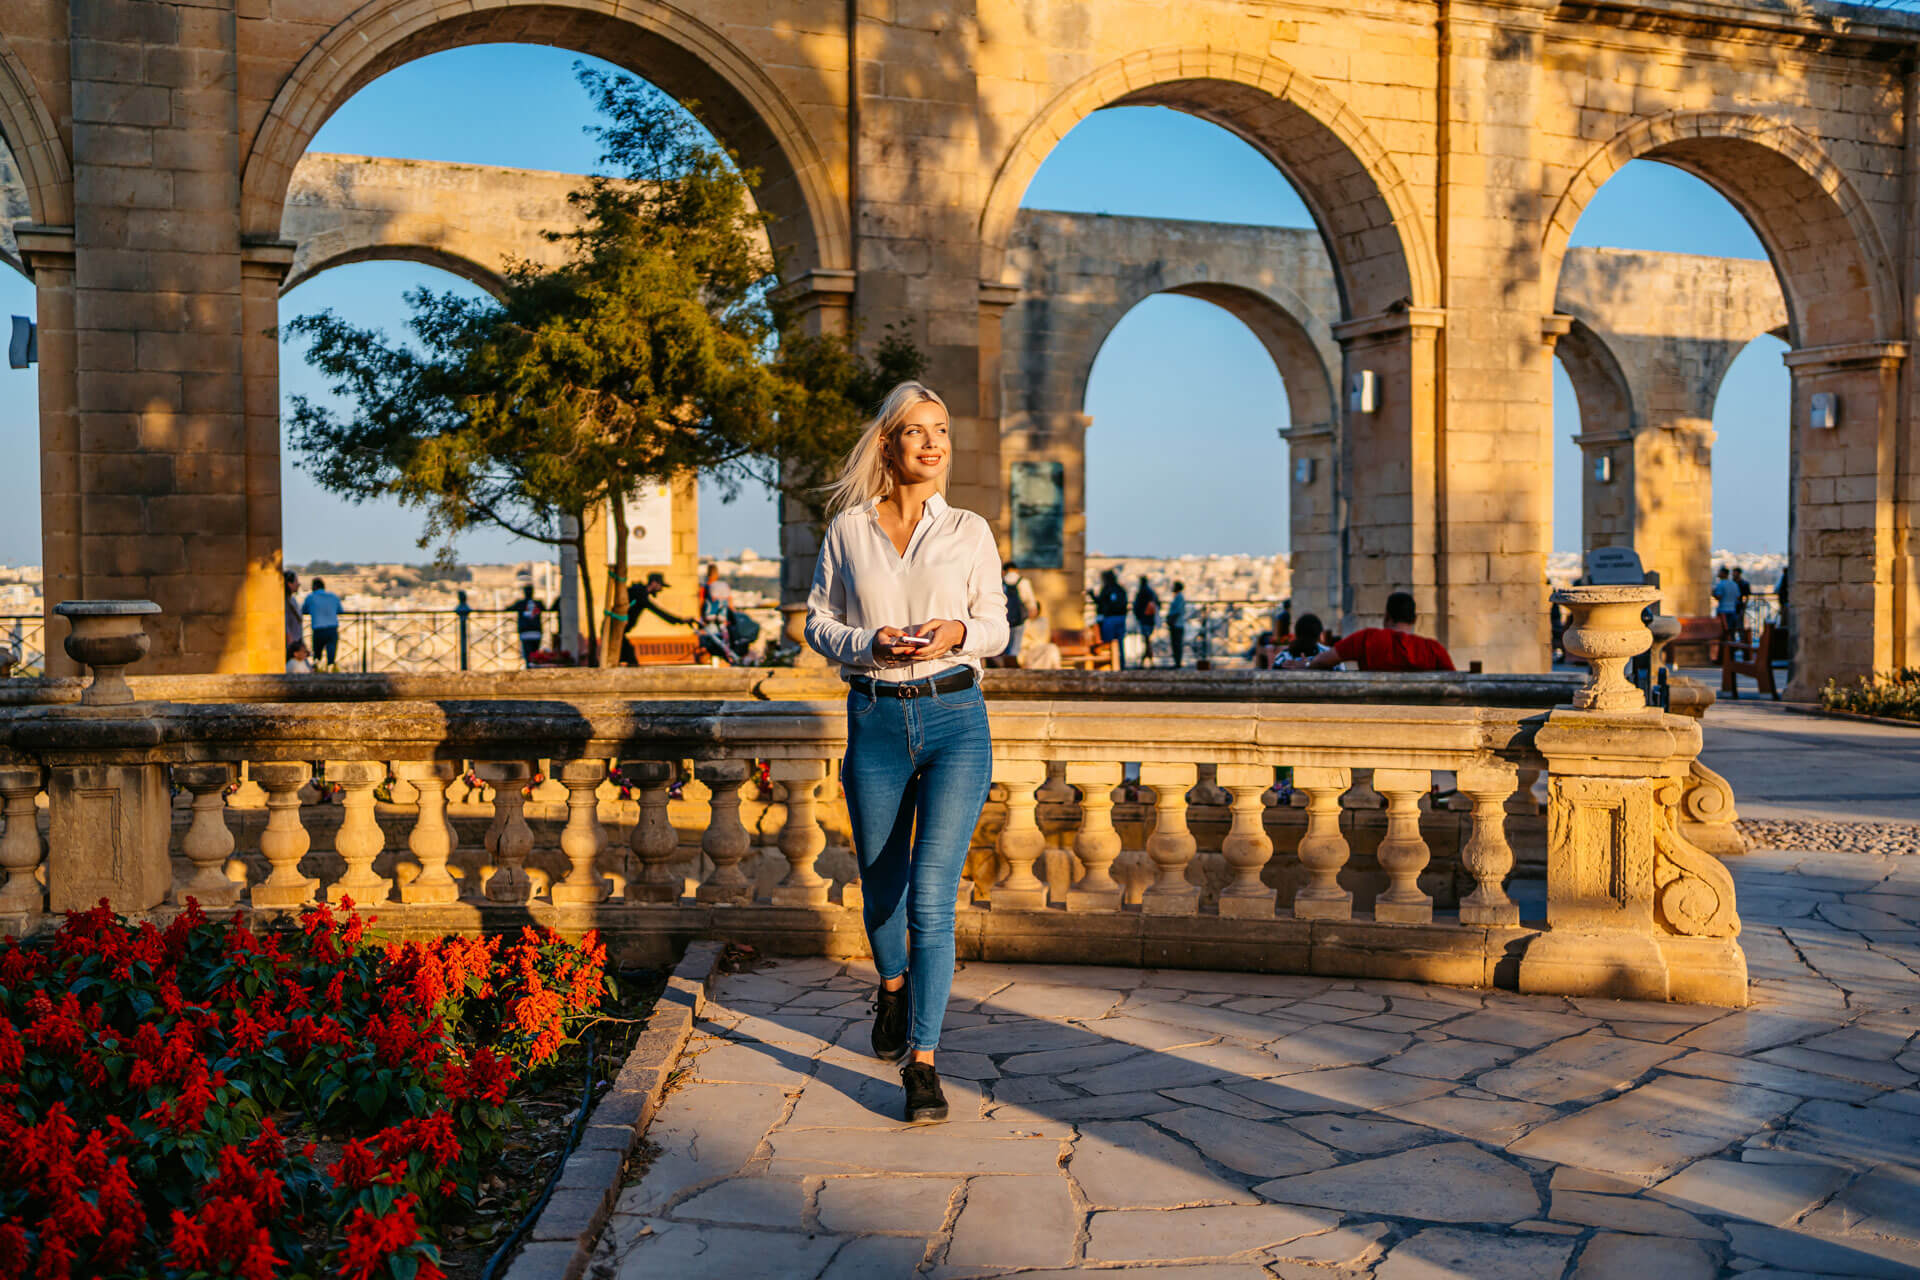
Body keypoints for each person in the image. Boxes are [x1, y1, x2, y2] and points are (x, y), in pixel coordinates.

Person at [805, 380, 1006, 1125]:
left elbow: (996, 626)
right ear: (888, 443)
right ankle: (891, 985)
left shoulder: (969, 531)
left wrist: (959, 634)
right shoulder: (848, 530)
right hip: (877, 720)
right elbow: (818, 620)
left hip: (956, 719)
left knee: (931, 900)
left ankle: (922, 1063)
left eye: (942, 429)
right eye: (917, 430)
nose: (933, 442)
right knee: (882, 888)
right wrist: (869, 642)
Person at [1304, 591, 1455, 671]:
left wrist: (1306, 664)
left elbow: (1323, 660)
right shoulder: (1433, 649)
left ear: (1387, 616)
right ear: (1414, 619)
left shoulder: (1367, 638)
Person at [301, 577, 343, 670]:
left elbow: (304, 610)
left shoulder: (310, 597)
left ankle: (318, 674)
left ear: (314, 587)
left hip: (318, 630)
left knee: (317, 657)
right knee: (331, 658)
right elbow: (340, 610)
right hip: (332, 629)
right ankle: (331, 672)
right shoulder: (333, 596)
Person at [1091, 570, 1128, 668]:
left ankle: (1110, 664)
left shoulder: (1107, 589)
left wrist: (1092, 596)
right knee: (1119, 643)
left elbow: (1101, 603)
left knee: (1108, 643)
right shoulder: (1120, 589)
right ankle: (1121, 664)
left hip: (1110, 618)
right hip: (1121, 618)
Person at [1001, 561, 1037, 663]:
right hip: (1019, 617)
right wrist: (1032, 609)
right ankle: (1012, 662)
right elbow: (1029, 599)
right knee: (1016, 644)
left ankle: (1005, 661)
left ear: (1004, 571)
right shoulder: (1023, 581)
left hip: (1005, 617)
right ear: (1016, 570)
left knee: (1005, 642)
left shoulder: (1001, 582)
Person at [513, 584, 544, 666]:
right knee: (535, 653)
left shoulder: (520, 604)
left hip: (525, 632)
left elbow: (509, 608)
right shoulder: (538, 603)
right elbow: (545, 608)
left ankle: (529, 667)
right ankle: (534, 666)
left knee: (527, 653)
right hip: (536, 631)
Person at [1132, 576, 1160, 667]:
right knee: (1147, 640)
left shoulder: (1140, 593)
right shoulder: (1151, 593)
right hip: (1150, 619)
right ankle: (1148, 660)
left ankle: (1145, 660)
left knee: (1147, 640)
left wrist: (1139, 616)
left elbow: (1136, 607)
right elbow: (1158, 604)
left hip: (1144, 619)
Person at [1711, 566, 1741, 647]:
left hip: (1723, 611)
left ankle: (1724, 652)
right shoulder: (1734, 584)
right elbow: (1738, 597)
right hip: (1733, 610)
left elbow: (1719, 597)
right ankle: (1731, 650)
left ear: (1723, 574)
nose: (1718, 574)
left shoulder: (1721, 584)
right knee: (1731, 632)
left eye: (1719, 572)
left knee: (1723, 632)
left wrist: (1712, 593)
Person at [1166, 581, 1189, 668]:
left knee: (1177, 643)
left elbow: (1177, 611)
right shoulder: (1178, 597)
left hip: (1177, 624)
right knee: (1176, 643)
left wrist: (1171, 620)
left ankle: (1178, 662)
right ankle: (1177, 662)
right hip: (1177, 623)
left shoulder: (1179, 597)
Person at [284, 570, 303, 660]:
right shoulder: (286, 602)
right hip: (292, 644)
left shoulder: (292, 600)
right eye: (296, 581)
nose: (298, 584)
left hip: (296, 641)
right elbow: (285, 623)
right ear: (289, 584)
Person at [1732, 567, 1753, 642]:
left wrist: (1744, 606)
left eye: (1734, 573)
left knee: (1739, 626)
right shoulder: (1740, 583)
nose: (1733, 574)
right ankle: (1739, 642)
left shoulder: (1742, 584)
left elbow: (1746, 596)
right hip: (1735, 607)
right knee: (1735, 626)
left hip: (1738, 607)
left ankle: (1740, 642)